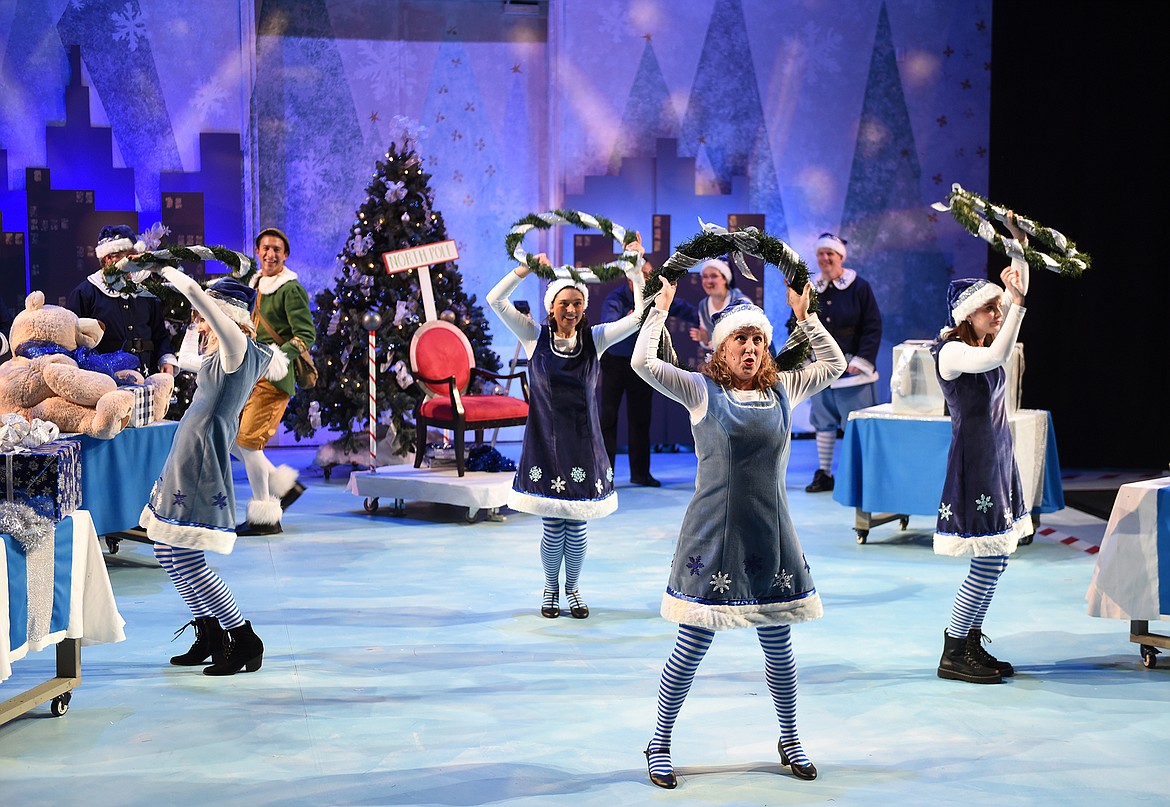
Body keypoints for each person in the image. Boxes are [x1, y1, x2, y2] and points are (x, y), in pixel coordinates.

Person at [632, 273, 845, 788]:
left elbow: (834, 364)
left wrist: (806, 316)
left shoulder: (782, 389)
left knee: (779, 646)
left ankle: (790, 740)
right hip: (713, 536)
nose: (750, 348)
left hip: (769, 535)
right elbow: (642, 363)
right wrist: (659, 309)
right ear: (720, 349)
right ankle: (658, 744)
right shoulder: (700, 390)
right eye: (740, 340)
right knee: (691, 644)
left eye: (757, 340)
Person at [138, 267, 289, 676]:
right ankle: (210, 634)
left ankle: (243, 638)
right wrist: (190, 330)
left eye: (205, 315)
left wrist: (166, 269)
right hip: (188, 451)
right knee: (165, 548)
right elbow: (188, 357)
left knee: (189, 561)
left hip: (202, 458)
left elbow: (197, 296)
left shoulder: (236, 344)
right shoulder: (221, 351)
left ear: (224, 312)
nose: (199, 321)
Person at [487, 242, 647, 619]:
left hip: (583, 446)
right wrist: (524, 269)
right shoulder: (533, 337)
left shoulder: (596, 339)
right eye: (564, 303)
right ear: (551, 307)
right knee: (551, 527)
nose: (572, 310)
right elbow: (495, 300)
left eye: (578, 303)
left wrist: (636, 269)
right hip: (545, 444)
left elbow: (640, 316)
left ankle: (573, 588)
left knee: (576, 529)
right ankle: (549, 589)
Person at [931, 218, 1032, 685]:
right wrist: (1017, 306)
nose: (997, 313)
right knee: (987, 557)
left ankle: (970, 640)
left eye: (997, 307)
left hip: (997, 459)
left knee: (999, 556)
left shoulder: (984, 338)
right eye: (989, 308)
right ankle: (954, 647)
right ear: (966, 316)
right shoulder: (952, 351)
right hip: (975, 465)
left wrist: (1018, 255)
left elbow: (1008, 311)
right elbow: (997, 356)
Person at [233, 228, 316, 536]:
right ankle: (285, 488)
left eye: (277, 249)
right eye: (266, 248)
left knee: (249, 444)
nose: (271, 254)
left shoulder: (290, 288)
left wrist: (279, 358)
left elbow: (306, 334)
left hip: (274, 377)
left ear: (286, 255)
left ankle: (265, 516)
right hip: (251, 374)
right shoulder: (256, 284)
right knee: (234, 439)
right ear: (258, 251)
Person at [599, 257, 697, 487]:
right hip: (615, 363)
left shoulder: (656, 297)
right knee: (608, 420)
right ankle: (605, 476)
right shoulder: (615, 298)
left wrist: (709, 319)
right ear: (630, 277)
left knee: (641, 420)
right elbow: (609, 326)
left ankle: (640, 474)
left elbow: (683, 308)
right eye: (642, 274)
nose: (647, 278)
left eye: (650, 274)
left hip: (642, 365)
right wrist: (631, 317)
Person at [803, 233, 882, 493]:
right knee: (823, 421)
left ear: (840, 257)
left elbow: (872, 326)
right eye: (821, 254)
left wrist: (862, 360)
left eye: (831, 254)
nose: (825, 259)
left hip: (852, 371)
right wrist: (803, 359)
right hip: (820, 369)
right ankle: (825, 473)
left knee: (854, 424)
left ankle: (858, 476)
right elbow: (797, 323)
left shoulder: (859, 287)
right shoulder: (810, 289)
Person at [66, 224, 177, 377]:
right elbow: (71, 341)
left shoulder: (144, 292)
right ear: (109, 258)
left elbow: (159, 334)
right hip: (106, 383)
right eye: (128, 258)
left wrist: (166, 360)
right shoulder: (85, 293)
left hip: (146, 378)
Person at [687, 258, 750, 357]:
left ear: (725, 279)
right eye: (705, 276)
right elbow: (710, 340)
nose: (708, 281)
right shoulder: (703, 306)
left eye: (714, 276)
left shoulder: (741, 302)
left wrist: (725, 344)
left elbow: (751, 335)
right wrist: (704, 338)